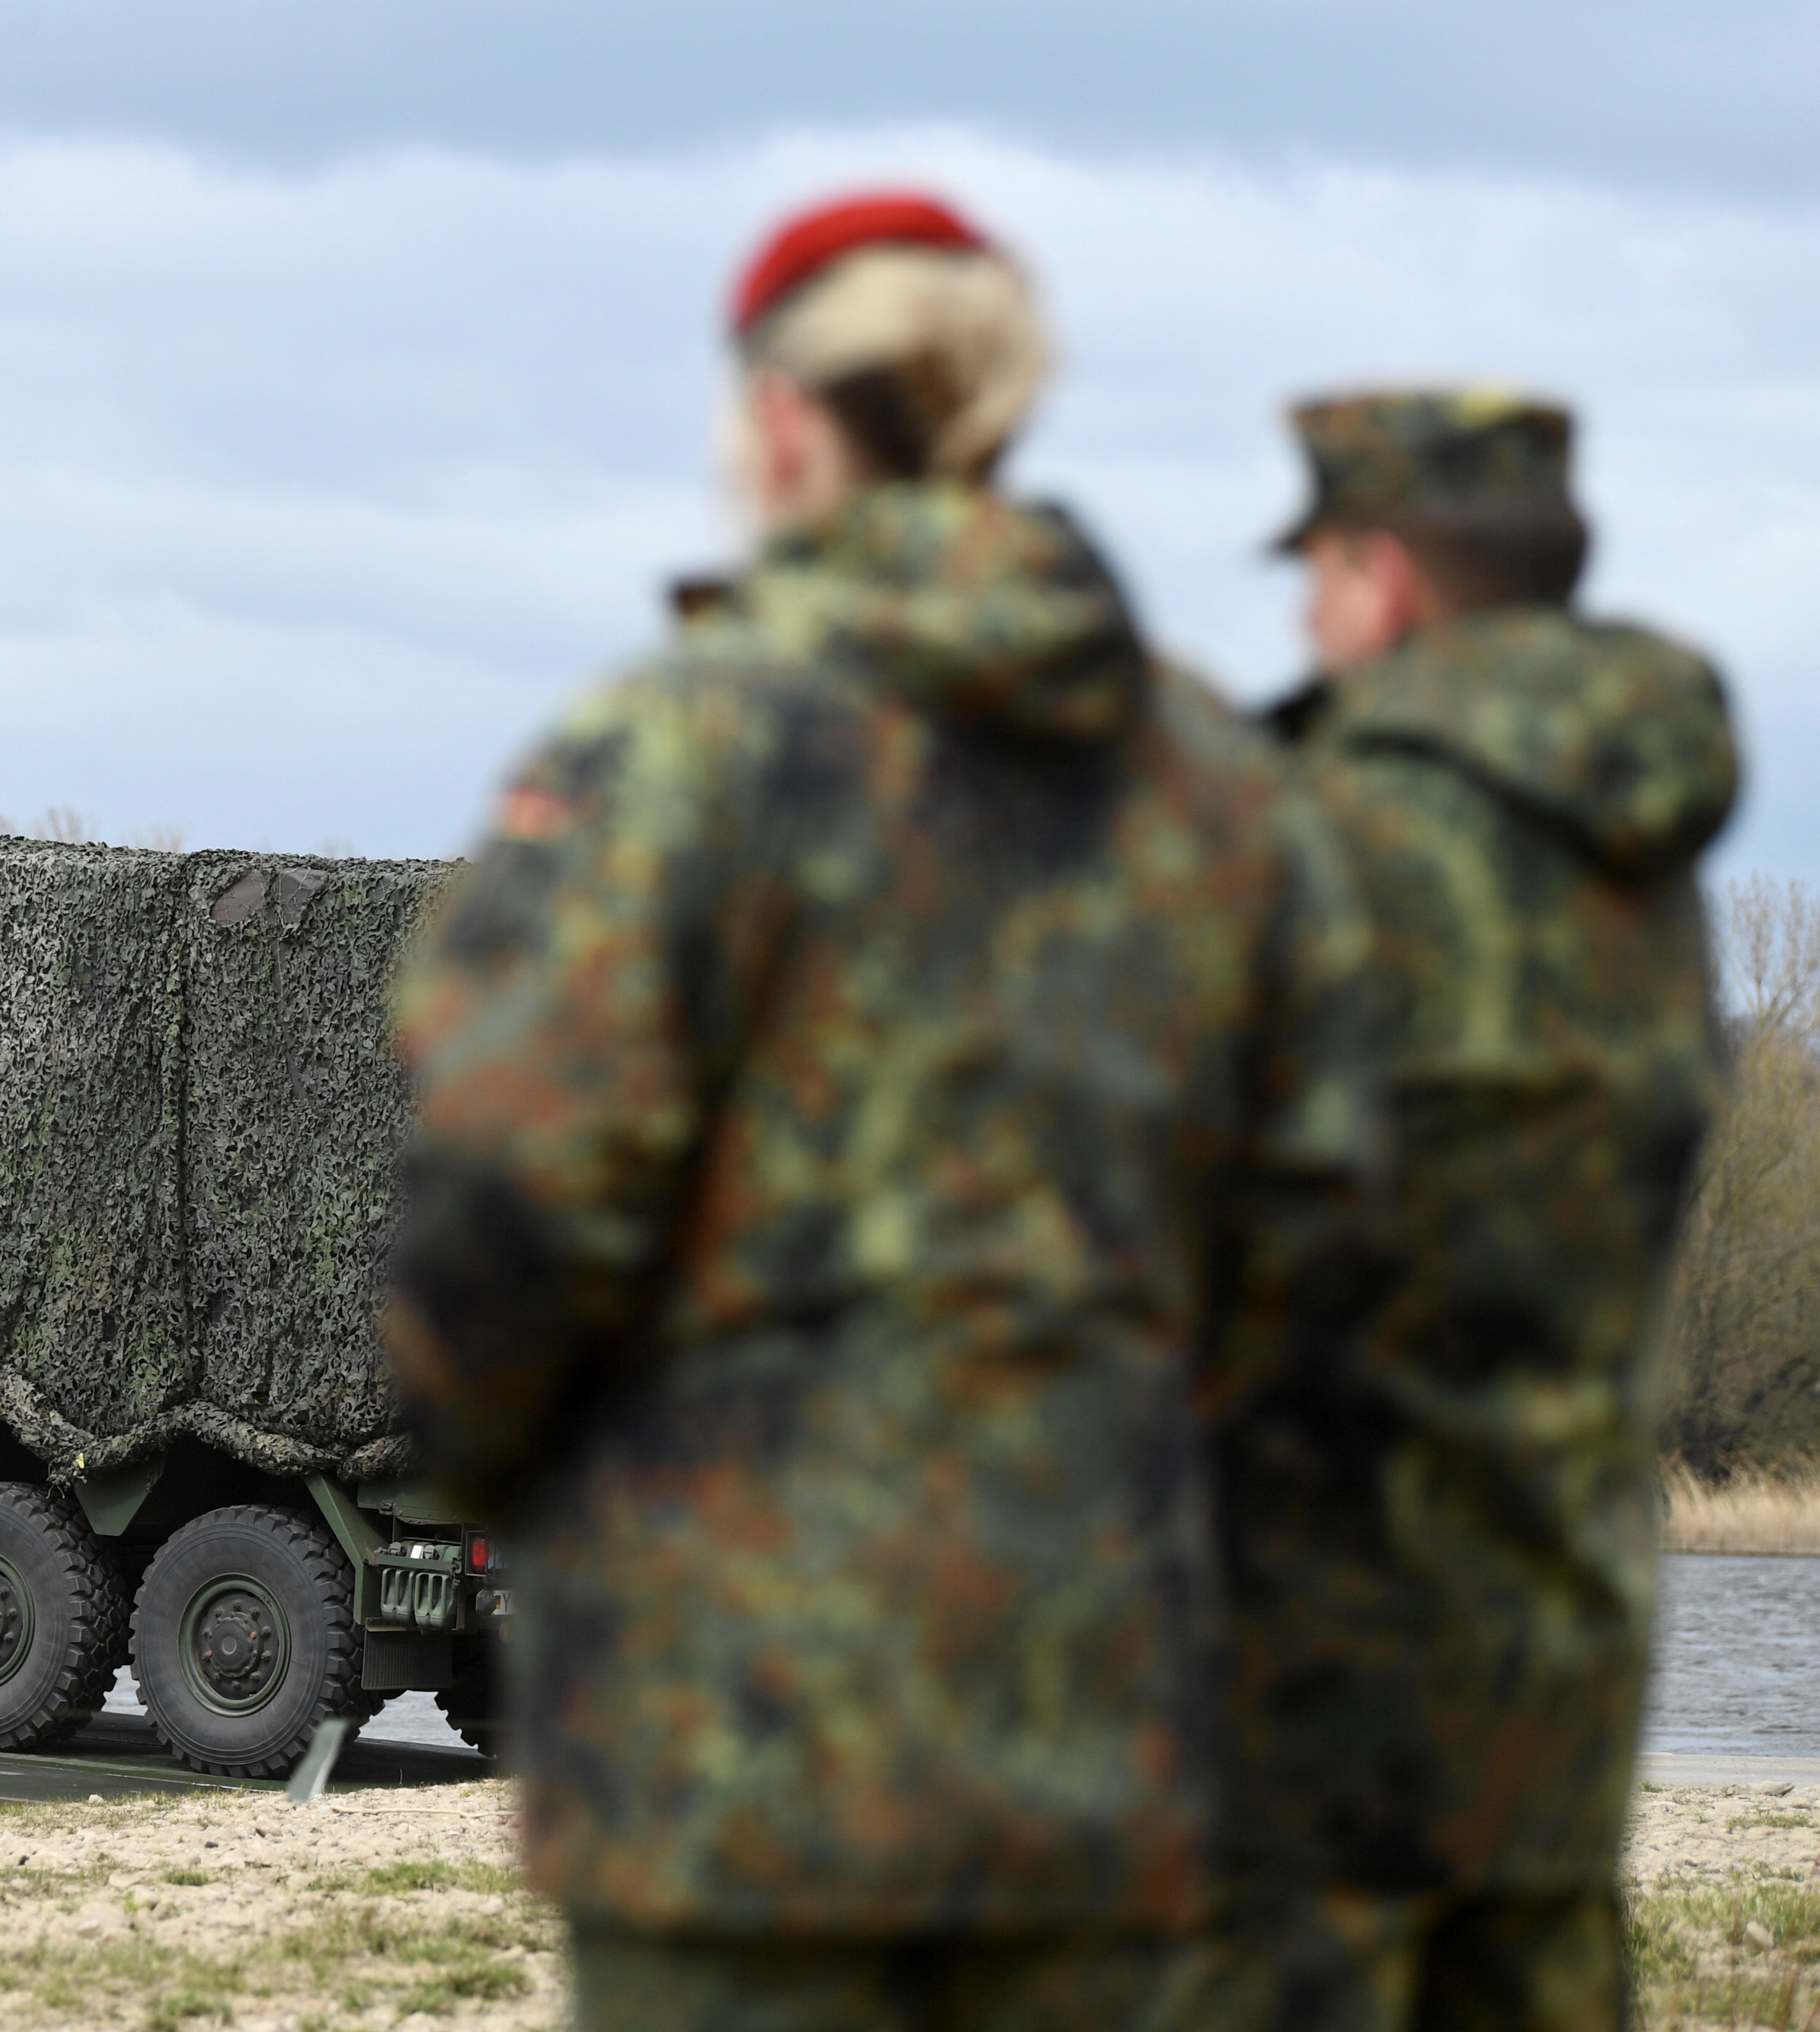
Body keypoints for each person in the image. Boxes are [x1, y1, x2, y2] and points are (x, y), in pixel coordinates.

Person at [380, 189, 1379, 2032]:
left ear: (780, 420)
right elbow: (1336, 1268)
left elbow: (500, 1228)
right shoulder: (1233, 795)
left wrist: (563, 1498)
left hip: (733, 1769)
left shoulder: (674, 756)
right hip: (1114, 1753)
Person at [1206, 390, 1737, 2031]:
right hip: (1560, 1633)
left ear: (1385, 571)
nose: (1305, 611)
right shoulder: (1639, 854)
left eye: (1318, 567)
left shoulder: (1323, 826)